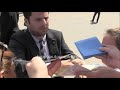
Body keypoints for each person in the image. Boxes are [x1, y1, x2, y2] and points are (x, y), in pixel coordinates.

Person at [8, 12, 83, 78]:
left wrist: (77, 61)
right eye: (38, 20)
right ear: (27, 22)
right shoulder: (17, 39)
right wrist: (51, 67)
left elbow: (69, 54)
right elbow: (16, 64)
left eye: (46, 18)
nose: (44, 23)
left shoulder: (57, 35)